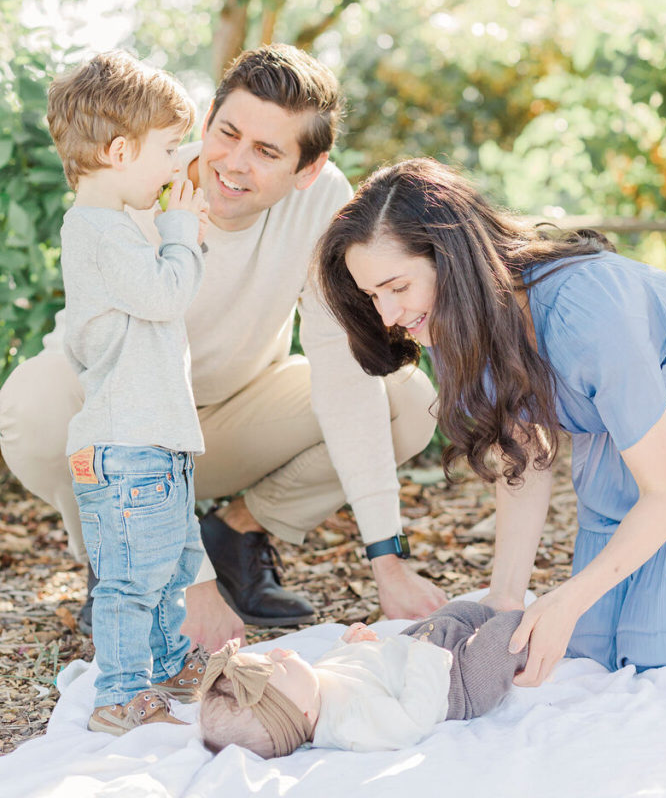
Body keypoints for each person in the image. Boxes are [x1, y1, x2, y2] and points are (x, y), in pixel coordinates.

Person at [0, 46, 444, 652]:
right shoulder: (142, 190)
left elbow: (342, 368)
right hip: (111, 422)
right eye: (227, 133)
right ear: (207, 117)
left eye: (267, 152)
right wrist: (193, 585)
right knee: (32, 401)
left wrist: (387, 562)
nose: (232, 164)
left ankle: (235, 533)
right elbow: (135, 392)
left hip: (231, 417)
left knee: (407, 400)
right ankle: (123, 557)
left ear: (307, 171)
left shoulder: (323, 204)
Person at [314, 157, 666, 684]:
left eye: (397, 287)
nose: (389, 316)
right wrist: (505, 596)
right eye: (374, 296)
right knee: (594, 651)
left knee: (658, 663)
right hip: (624, 453)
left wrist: (567, 597)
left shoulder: (588, 311)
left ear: (452, 260)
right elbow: (524, 457)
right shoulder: (450, 322)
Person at [45, 51, 210, 734]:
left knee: (168, 568)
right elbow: (167, 293)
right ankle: (118, 694)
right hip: (126, 447)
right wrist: (181, 233)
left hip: (150, 442)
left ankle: (166, 663)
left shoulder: (112, 229)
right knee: (132, 580)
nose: (176, 166)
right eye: (169, 149)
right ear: (119, 151)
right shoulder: (98, 230)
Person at [198, 599, 527, 755]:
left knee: (460, 611)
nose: (280, 652)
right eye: (279, 666)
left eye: (270, 654)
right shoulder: (351, 724)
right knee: (505, 637)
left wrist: (348, 644)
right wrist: (425, 657)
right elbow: (412, 721)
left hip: (416, 643)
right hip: (454, 683)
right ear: (304, 715)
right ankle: (537, 630)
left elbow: (336, 668)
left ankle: (489, 614)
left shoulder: (311, 688)